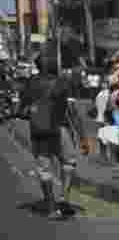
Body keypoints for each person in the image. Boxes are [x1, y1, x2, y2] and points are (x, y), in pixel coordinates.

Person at [20, 70, 80, 219]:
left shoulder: (31, 84)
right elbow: (72, 110)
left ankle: (51, 208)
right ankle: (63, 198)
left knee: (44, 170)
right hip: (60, 129)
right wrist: (83, 137)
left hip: (39, 132)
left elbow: (21, 110)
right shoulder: (62, 83)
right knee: (68, 163)